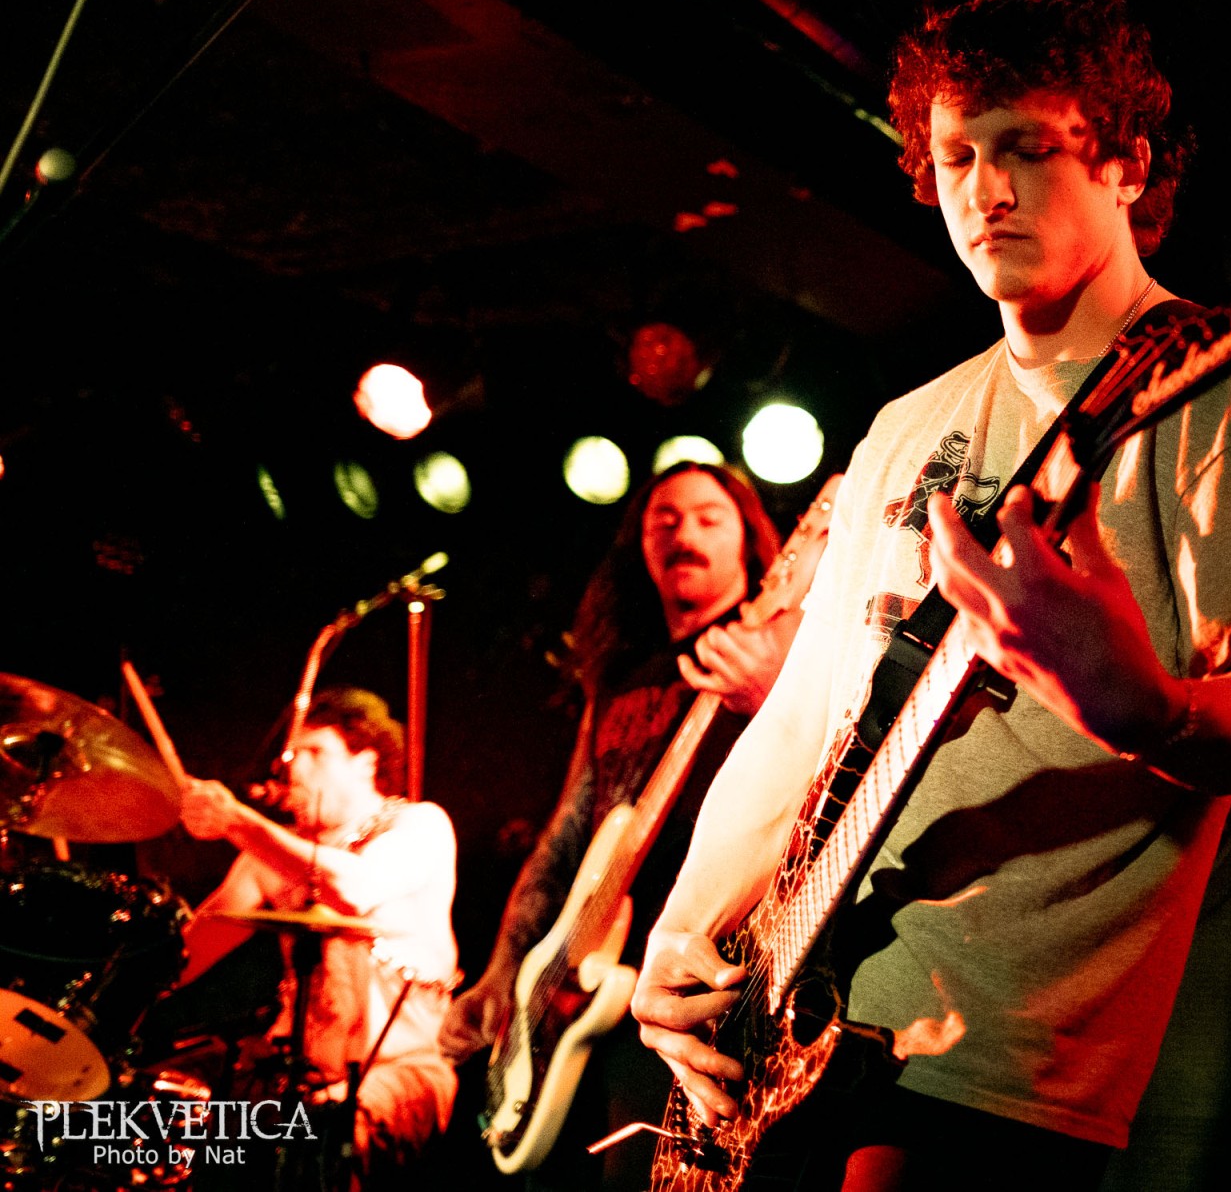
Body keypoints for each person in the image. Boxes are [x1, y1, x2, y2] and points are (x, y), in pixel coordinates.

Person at [629, 0, 1231, 1191]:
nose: (983, 191)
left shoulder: (1219, 387)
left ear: (1127, 163)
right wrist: (678, 929)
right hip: (791, 1009)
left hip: (991, 1056)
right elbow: (801, 721)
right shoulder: (901, 426)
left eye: (1026, 146)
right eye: (956, 156)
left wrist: (1145, 707)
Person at [437, 460, 795, 1188]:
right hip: (578, 988)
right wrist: (504, 974)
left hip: (697, 983)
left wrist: (769, 694)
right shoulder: (621, 677)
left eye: (708, 518)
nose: (685, 534)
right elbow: (568, 832)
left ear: (751, 543)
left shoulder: (776, 645)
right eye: (665, 520)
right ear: (639, 547)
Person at [178, 686, 459, 1185]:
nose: (296, 770)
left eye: (316, 753)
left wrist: (238, 822)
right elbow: (187, 953)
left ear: (366, 762)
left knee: (322, 1139)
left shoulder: (419, 827)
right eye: (293, 756)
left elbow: (355, 888)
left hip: (395, 1074)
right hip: (292, 1073)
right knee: (163, 1109)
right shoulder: (274, 854)